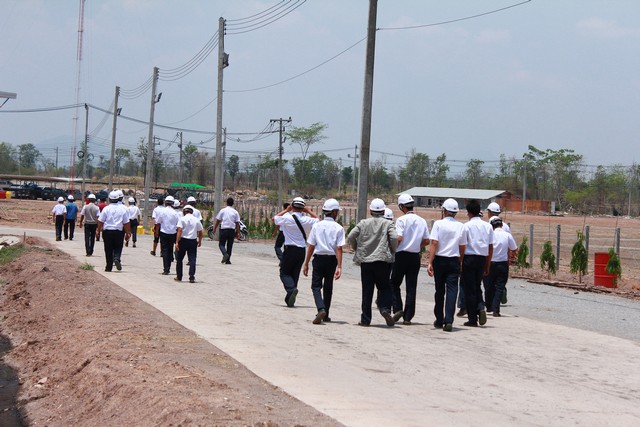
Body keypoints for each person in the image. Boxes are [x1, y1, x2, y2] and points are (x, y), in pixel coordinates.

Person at [347, 198, 397, 327]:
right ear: (383, 211)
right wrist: (393, 250)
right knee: (384, 287)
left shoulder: (363, 223)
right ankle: (385, 309)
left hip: (366, 262)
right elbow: (394, 238)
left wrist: (357, 248)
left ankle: (365, 319)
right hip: (382, 261)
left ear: (370, 211)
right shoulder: (388, 224)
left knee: (367, 291)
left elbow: (351, 236)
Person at [427, 198, 466, 332]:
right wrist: (460, 260)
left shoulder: (438, 224)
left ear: (444, 210)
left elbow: (434, 243)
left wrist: (430, 262)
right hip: (454, 260)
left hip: (440, 260)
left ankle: (439, 319)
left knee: (439, 291)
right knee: (452, 291)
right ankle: (448, 320)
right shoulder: (461, 226)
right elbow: (462, 246)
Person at [302, 198, 345, 324]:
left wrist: (306, 263)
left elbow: (311, 246)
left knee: (316, 286)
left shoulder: (317, 226)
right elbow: (339, 248)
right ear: (334, 212)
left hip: (319, 259)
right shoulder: (339, 228)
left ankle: (321, 308)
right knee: (328, 286)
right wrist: (339, 266)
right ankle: (326, 314)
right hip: (331, 260)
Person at [391, 194, 430, 325]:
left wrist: (393, 247)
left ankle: (398, 309)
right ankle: (408, 317)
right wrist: (416, 245)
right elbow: (427, 240)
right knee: (411, 286)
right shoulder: (422, 220)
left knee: (394, 283)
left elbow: (399, 237)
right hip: (414, 256)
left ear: (402, 206)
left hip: (401, 255)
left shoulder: (401, 220)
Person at [274, 197, 319, 307]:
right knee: (295, 273)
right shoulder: (306, 219)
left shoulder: (287, 217)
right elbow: (319, 220)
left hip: (290, 249)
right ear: (303, 207)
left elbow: (274, 218)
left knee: (284, 272)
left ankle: (291, 289)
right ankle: (290, 298)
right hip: (301, 250)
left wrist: (286, 210)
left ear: (292, 206)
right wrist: (309, 211)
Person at [460, 199, 494, 327]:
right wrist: (488, 264)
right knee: (477, 285)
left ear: (468, 212)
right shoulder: (488, 226)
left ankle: (472, 318)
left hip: (469, 258)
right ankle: (480, 307)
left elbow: (463, 246)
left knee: (469, 289)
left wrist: (460, 261)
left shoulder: (466, 226)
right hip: (482, 258)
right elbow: (490, 247)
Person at [485, 216, 517, 316]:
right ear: (502, 225)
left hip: (490, 263)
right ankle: (496, 309)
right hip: (502, 264)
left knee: (489, 285)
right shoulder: (507, 235)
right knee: (500, 286)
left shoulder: (489, 235)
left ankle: (488, 306)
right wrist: (511, 257)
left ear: (491, 225)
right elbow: (514, 248)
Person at [96, 191, 131, 272]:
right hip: (118, 232)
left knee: (108, 249)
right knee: (118, 246)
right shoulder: (122, 209)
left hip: (107, 232)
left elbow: (101, 220)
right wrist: (128, 232)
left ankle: (109, 267)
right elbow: (126, 222)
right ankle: (117, 258)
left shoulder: (106, 209)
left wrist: (98, 230)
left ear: (109, 199)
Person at [486, 201, 511, 305]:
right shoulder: (505, 226)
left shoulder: (488, 225)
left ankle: (490, 303)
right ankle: (501, 292)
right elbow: (509, 243)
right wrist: (508, 258)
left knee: (489, 282)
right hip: (503, 258)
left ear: (489, 212)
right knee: (500, 281)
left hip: (491, 258)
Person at [174, 205, 204, 283]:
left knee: (179, 259)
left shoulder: (182, 219)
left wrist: (177, 242)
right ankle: (191, 277)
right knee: (192, 259)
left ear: (184, 211)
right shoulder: (196, 220)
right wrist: (200, 241)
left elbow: (179, 230)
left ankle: (179, 276)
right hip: (193, 241)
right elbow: (200, 231)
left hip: (183, 241)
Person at [211, 197, 241, 265]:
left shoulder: (223, 210)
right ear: (233, 204)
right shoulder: (235, 212)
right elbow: (237, 223)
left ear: (226, 203)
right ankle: (228, 260)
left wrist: (214, 228)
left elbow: (218, 220)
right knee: (229, 245)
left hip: (224, 229)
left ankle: (225, 254)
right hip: (231, 230)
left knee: (221, 244)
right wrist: (238, 233)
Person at [155, 195, 180, 275]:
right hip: (172, 233)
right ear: (172, 203)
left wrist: (156, 232)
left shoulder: (162, 211)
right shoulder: (175, 213)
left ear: (165, 203)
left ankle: (166, 268)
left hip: (164, 233)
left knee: (164, 250)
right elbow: (178, 224)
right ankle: (168, 265)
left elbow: (158, 223)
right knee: (170, 249)